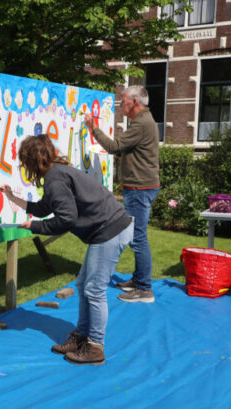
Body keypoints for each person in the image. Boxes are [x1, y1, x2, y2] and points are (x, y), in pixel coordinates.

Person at [0, 135, 133, 365]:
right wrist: (13, 198)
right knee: (84, 286)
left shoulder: (54, 179)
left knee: (94, 290)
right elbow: (43, 208)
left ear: (33, 160)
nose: (24, 167)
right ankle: (81, 338)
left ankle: (95, 348)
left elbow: (66, 219)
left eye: (24, 162)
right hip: (108, 229)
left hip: (110, 230)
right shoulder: (56, 173)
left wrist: (35, 227)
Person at [84, 85, 160, 303]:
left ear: (134, 102)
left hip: (140, 188)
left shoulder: (141, 124)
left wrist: (93, 128)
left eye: (123, 100)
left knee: (137, 238)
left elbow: (114, 146)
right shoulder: (143, 121)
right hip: (141, 186)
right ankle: (139, 280)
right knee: (137, 235)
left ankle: (144, 289)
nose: (120, 104)